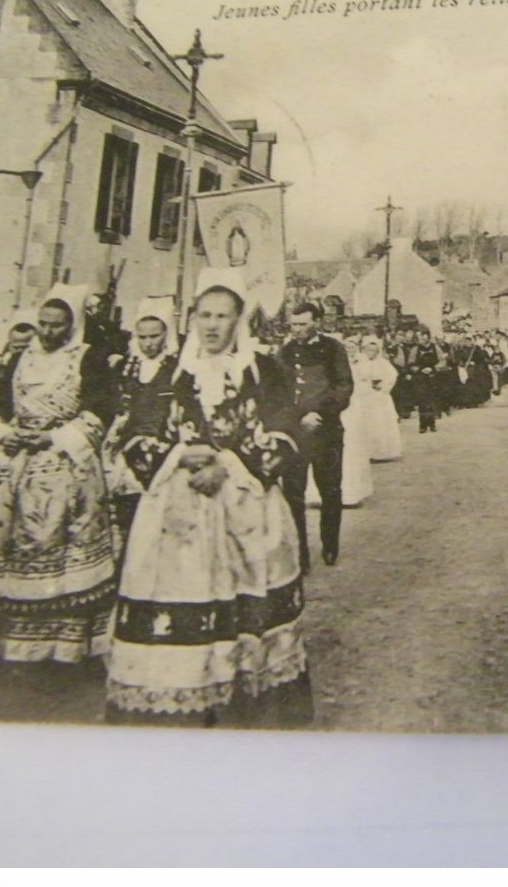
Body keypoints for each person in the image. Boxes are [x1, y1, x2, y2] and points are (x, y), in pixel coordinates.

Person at [106, 269, 312, 727]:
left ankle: (248, 699)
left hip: (245, 504)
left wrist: (229, 465)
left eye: (223, 315)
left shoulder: (265, 370)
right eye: (204, 315)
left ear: (239, 319)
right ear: (193, 318)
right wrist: (182, 455)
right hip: (180, 508)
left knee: (247, 598)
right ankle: (184, 698)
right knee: (181, 594)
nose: (212, 325)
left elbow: (286, 430)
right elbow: (138, 431)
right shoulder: (172, 374)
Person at [0, 284, 117, 665]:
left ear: (73, 326)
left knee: (55, 539)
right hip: (13, 462)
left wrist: (54, 437)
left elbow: (100, 411)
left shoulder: (89, 359)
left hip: (62, 462)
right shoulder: (20, 359)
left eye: (57, 326)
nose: (47, 332)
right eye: (43, 324)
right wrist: (4, 433)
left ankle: (60, 642)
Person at [277, 301, 355, 568]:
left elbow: (344, 387)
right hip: (295, 435)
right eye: (294, 325)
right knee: (293, 495)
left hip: (326, 431)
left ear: (317, 323)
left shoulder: (333, 349)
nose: (297, 330)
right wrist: (298, 417)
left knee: (330, 491)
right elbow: (277, 393)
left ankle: (330, 545)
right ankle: (300, 553)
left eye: (303, 324)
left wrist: (320, 414)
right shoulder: (284, 353)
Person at [100, 298, 179, 548]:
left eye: (154, 336)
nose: (148, 343)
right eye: (142, 337)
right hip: (125, 449)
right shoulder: (125, 367)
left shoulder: (176, 369)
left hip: (162, 449)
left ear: (166, 334)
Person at [341, 339, 375, 508]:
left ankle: (353, 492)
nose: (350, 350)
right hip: (340, 405)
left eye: (353, 347)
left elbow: (366, 380)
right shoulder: (339, 362)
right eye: (347, 347)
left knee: (353, 444)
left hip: (355, 403)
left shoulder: (362, 362)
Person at [361, 337, 403, 461]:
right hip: (366, 396)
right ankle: (369, 452)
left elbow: (392, 376)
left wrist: (384, 386)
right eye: (368, 350)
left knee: (382, 422)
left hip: (380, 397)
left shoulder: (383, 363)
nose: (371, 353)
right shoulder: (361, 363)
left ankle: (384, 452)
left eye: (373, 350)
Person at [409, 331, 444, 433]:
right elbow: (410, 363)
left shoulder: (436, 348)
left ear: (428, 338)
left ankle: (432, 424)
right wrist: (420, 370)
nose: (422, 340)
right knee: (422, 401)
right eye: (421, 338)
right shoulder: (415, 349)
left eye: (424, 338)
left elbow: (442, 361)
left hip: (433, 377)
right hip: (420, 378)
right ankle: (422, 425)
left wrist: (433, 368)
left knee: (432, 400)